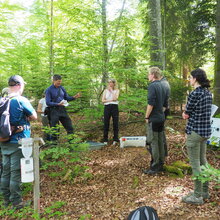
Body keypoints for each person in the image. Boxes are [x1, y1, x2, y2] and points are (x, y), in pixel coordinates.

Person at [0, 75, 37, 209]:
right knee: (15, 172)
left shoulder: (2, 100)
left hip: (4, 139)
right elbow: (34, 116)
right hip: (18, 141)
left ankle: (5, 200)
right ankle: (16, 202)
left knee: (5, 172)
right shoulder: (21, 100)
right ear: (20, 85)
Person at [182, 68, 212, 205]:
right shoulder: (207, 93)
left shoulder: (195, 93)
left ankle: (198, 196)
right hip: (205, 132)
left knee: (195, 164)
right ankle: (205, 191)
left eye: (190, 77)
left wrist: (185, 112)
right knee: (203, 162)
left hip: (195, 132)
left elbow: (186, 114)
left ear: (195, 79)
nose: (189, 79)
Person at [143, 67, 168, 175]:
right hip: (161, 118)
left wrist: (147, 117)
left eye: (149, 74)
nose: (148, 76)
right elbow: (165, 105)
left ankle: (155, 167)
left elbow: (151, 104)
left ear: (153, 75)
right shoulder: (163, 85)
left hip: (154, 119)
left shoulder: (152, 86)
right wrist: (160, 113)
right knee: (159, 141)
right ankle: (161, 163)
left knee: (154, 142)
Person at [45, 75, 81, 141]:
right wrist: (57, 104)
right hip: (53, 111)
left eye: (60, 81)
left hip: (62, 110)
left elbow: (66, 98)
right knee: (55, 129)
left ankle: (71, 143)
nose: (59, 83)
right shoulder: (49, 90)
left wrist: (74, 97)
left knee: (69, 127)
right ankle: (54, 145)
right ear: (54, 81)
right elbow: (48, 102)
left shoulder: (62, 88)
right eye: (58, 82)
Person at [102, 78, 120, 145]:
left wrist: (112, 91)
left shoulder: (117, 90)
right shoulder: (105, 91)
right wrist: (110, 100)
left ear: (114, 83)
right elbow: (103, 100)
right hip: (107, 107)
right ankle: (105, 139)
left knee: (115, 123)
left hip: (114, 107)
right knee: (106, 122)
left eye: (111, 82)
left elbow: (115, 99)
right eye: (109, 82)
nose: (110, 84)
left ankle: (115, 139)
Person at [160, 75, 171, 156]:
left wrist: (162, 109)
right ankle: (164, 152)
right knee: (161, 131)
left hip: (163, 110)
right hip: (164, 110)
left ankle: (163, 153)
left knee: (160, 132)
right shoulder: (165, 82)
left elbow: (165, 98)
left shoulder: (163, 83)